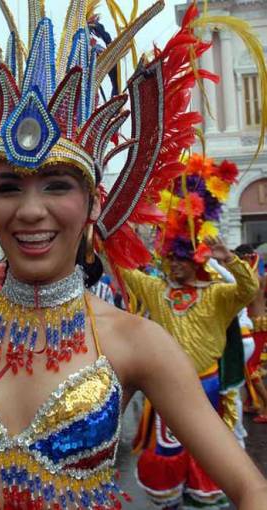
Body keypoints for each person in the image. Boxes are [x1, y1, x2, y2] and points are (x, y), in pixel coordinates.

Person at [0, 2, 267, 509]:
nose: (30, 210)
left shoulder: (137, 342)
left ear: (94, 202)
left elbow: (248, 486)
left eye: (57, 185)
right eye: (8, 187)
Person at [127, 154, 260, 508]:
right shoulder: (159, 291)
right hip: (168, 387)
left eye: (181, 260)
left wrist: (229, 258)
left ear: (196, 260)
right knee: (167, 454)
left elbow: (248, 291)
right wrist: (113, 233)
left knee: (208, 454)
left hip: (208, 384)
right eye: (170, 260)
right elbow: (127, 272)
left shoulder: (217, 295)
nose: (174, 266)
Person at [235, 245, 267, 423]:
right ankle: (252, 402)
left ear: (246, 258)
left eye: (240, 259)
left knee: (251, 368)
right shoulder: (259, 275)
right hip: (256, 324)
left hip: (257, 326)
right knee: (248, 366)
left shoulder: (251, 277)